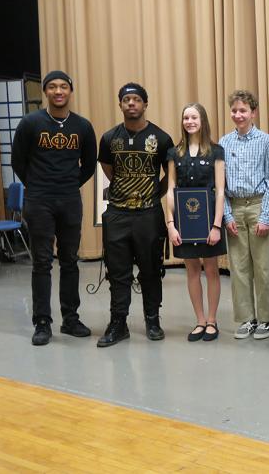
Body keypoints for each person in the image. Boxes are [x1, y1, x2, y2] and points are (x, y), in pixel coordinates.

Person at [11, 70, 97, 346]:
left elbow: (89, 163)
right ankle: (42, 322)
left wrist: (69, 184)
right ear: (45, 91)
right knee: (42, 262)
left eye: (63, 87)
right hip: (39, 201)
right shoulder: (30, 123)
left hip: (69, 200)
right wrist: (37, 186)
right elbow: (17, 161)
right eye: (52, 87)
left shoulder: (82, 127)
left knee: (70, 260)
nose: (58, 91)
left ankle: (70, 318)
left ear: (70, 91)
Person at [97, 83, 173, 347]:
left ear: (145, 104)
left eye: (136, 99)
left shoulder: (161, 138)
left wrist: (152, 194)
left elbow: (170, 175)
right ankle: (118, 323)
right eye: (126, 99)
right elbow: (108, 169)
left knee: (151, 269)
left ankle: (152, 319)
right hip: (117, 214)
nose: (131, 103)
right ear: (120, 104)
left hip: (148, 215)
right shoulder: (109, 138)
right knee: (118, 272)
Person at [220, 90, 269, 340]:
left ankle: (266, 318)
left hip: (258, 205)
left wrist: (265, 216)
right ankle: (246, 318)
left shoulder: (266, 141)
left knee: (263, 266)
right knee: (239, 267)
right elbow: (220, 184)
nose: (238, 115)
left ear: (253, 112)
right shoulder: (224, 143)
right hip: (234, 207)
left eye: (243, 110)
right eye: (234, 110)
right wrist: (226, 215)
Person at [166, 103, 225, 342]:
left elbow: (220, 190)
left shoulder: (216, 151)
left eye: (194, 117)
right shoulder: (174, 153)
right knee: (191, 270)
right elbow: (170, 189)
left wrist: (217, 226)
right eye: (186, 118)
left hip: (209, 221)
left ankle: (212, 320)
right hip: (184, 222)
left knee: (211, 269)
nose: (189, 122)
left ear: (203, 121)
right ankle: (199, 320)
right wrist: (171, 224)